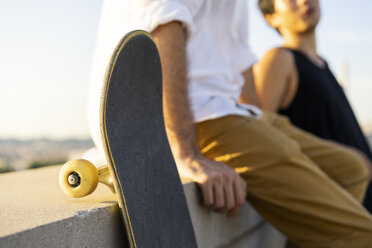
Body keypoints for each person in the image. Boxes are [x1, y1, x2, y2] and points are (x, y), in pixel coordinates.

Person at [86, 0, 372, 247]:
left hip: (236, 112)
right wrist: (184, 152)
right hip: (202, 117)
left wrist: (264, 128)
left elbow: (240, 55)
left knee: (351, 171)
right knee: (364, 236)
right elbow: (162, 18)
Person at [253, 0, 372, 213]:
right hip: (335, 203)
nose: (304, 1)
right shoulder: (279, 59)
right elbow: (260, 133)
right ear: (271, 17)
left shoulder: (323, 64)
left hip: (359, 198)